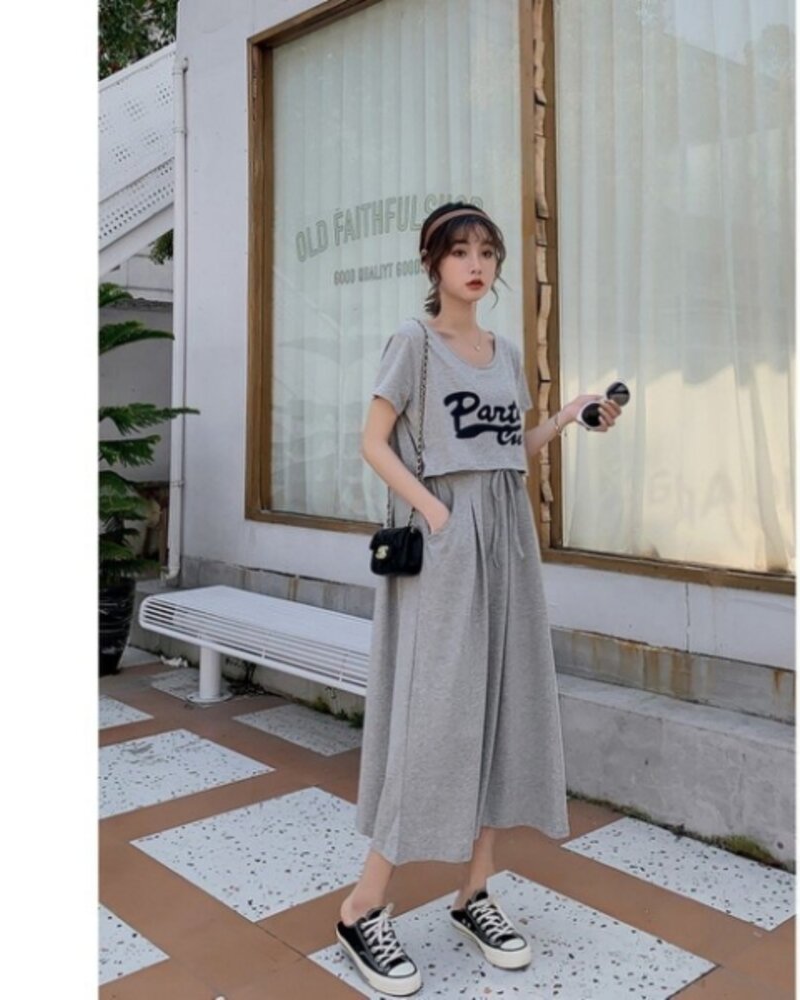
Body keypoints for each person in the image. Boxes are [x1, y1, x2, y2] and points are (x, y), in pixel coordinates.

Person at [335, 202, 621, 996]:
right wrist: (436, 515)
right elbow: (372, 442)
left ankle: (474, 893)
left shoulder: (503, 353)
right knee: (433, 721)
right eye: (460, 251)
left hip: (508, 543)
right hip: (448, 546)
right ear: (433, 263)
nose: (476, 264)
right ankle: (362, 907)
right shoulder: (414, 342)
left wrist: (567, 416)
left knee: (503, 709)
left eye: (487, 253)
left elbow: (506, 450)